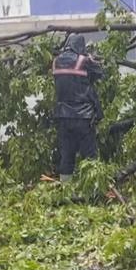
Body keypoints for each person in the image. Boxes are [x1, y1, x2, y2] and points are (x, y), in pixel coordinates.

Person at [52, 34, 103, 182]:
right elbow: (99, 74)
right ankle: (92, 190)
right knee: (90, 156)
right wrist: (92, 59)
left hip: (63, 117)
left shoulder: (56, 62)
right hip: (83, 117)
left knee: (67, 155)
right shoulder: (83, 61)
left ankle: (65, 191)